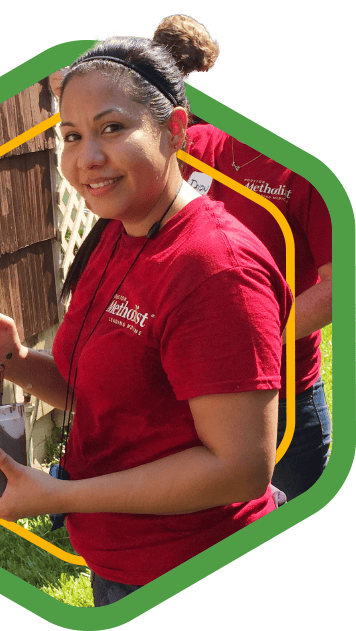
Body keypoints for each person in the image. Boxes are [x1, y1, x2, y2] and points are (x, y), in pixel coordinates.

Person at [0, 36, 292, 605]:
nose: (87, 158)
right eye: (72, 136)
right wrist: (14, 357)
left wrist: (57, 496)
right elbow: (97, 398)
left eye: (111, 128)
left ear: (176, 130)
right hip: (121, 561)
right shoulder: (120, 232)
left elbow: (239, 469)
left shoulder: (215, 267)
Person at [152, 16, 332, 500]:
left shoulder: (307, 171)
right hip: (195, 390)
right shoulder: (198, 148)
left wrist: (248, 335)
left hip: (284, 393)